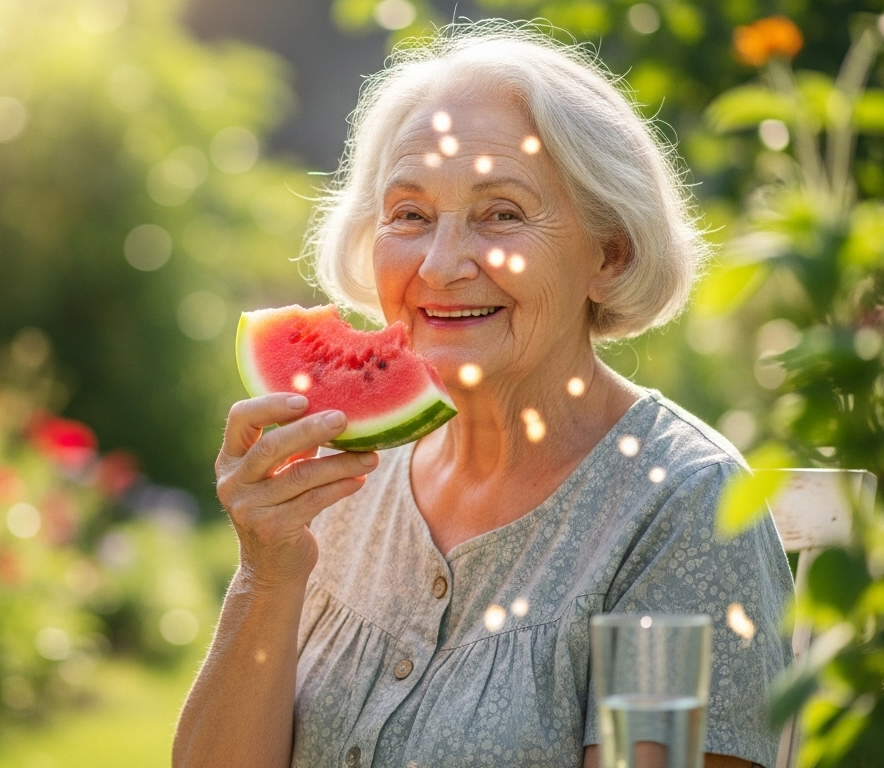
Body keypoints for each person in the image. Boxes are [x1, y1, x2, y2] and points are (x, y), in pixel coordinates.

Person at [174, 21, 792, 768]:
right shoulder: (341, 479)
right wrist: (266, 572)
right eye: (409, 215)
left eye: (501, 213)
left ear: (609, 251)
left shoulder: (683, 506)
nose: (440, 265)